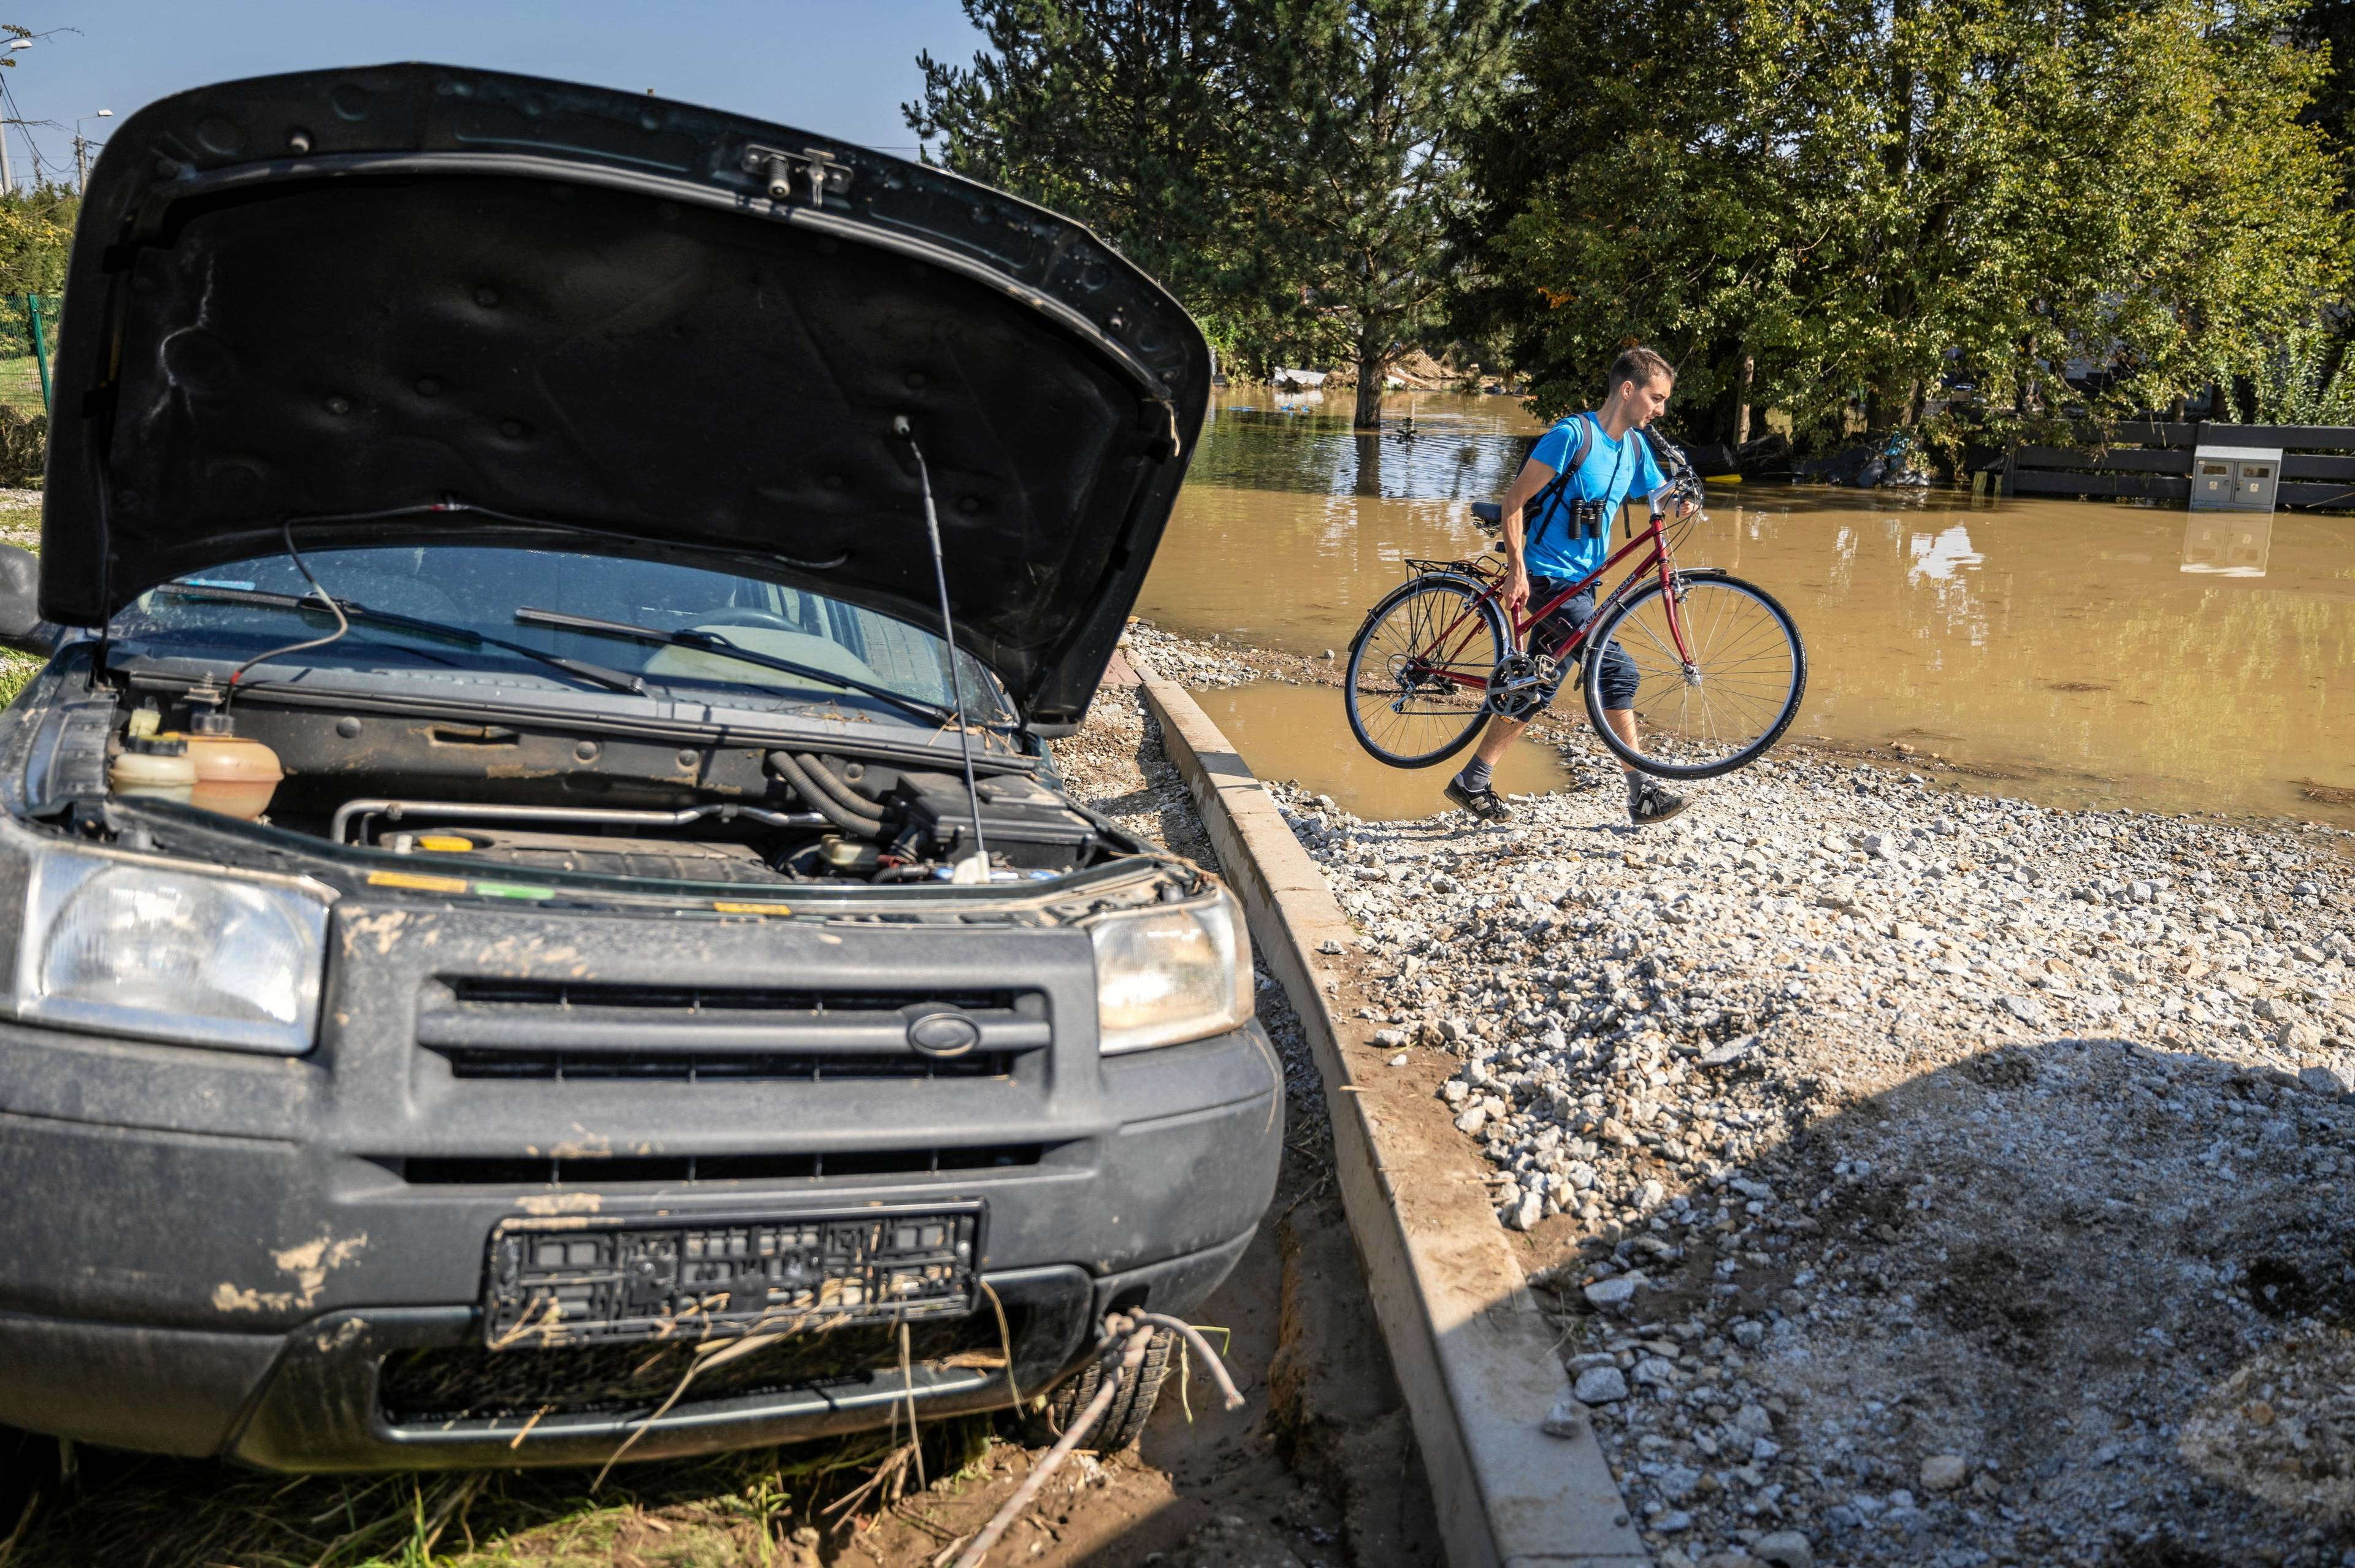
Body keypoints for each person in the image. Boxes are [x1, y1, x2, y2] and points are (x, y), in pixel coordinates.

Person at [1443, 345, 1695, 825]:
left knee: (1539, 683)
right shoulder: (1571, 436)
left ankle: (1473, 780)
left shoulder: (1635, 448)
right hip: (1546, 578)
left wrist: (1682, 499)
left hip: (1584, 585)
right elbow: (1514, 499)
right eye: (1656, 398)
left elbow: (1656, 492)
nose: (1661, 409)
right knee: (1617, 670)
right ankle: (1642, 792)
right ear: (1628, 390)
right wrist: (1516, 568)